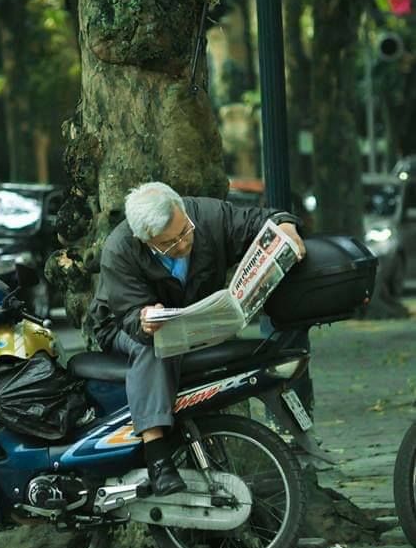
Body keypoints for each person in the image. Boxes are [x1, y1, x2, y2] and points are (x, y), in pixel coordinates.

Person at [88, 181, 305, 496]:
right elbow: (130, 317)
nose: (182, 244)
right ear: (144, 240)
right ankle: (157, 455)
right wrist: (145, 319)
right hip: (125, 325)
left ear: (183, 209)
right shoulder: (119, 249)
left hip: (196, 318)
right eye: (168, 244)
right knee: (155, 348)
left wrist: (287, 227)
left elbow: (263, 220)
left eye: (184, 232)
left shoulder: (208, 215)